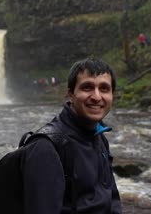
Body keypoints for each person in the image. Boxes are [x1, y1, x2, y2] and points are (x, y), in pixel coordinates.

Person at [22, 57, 122, 214]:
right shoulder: (46, 147)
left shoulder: (99, 137)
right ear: (70, 94)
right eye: (87, 88)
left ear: (112, 95)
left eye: (104, 89)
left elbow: (112, 198)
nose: (96, 97)